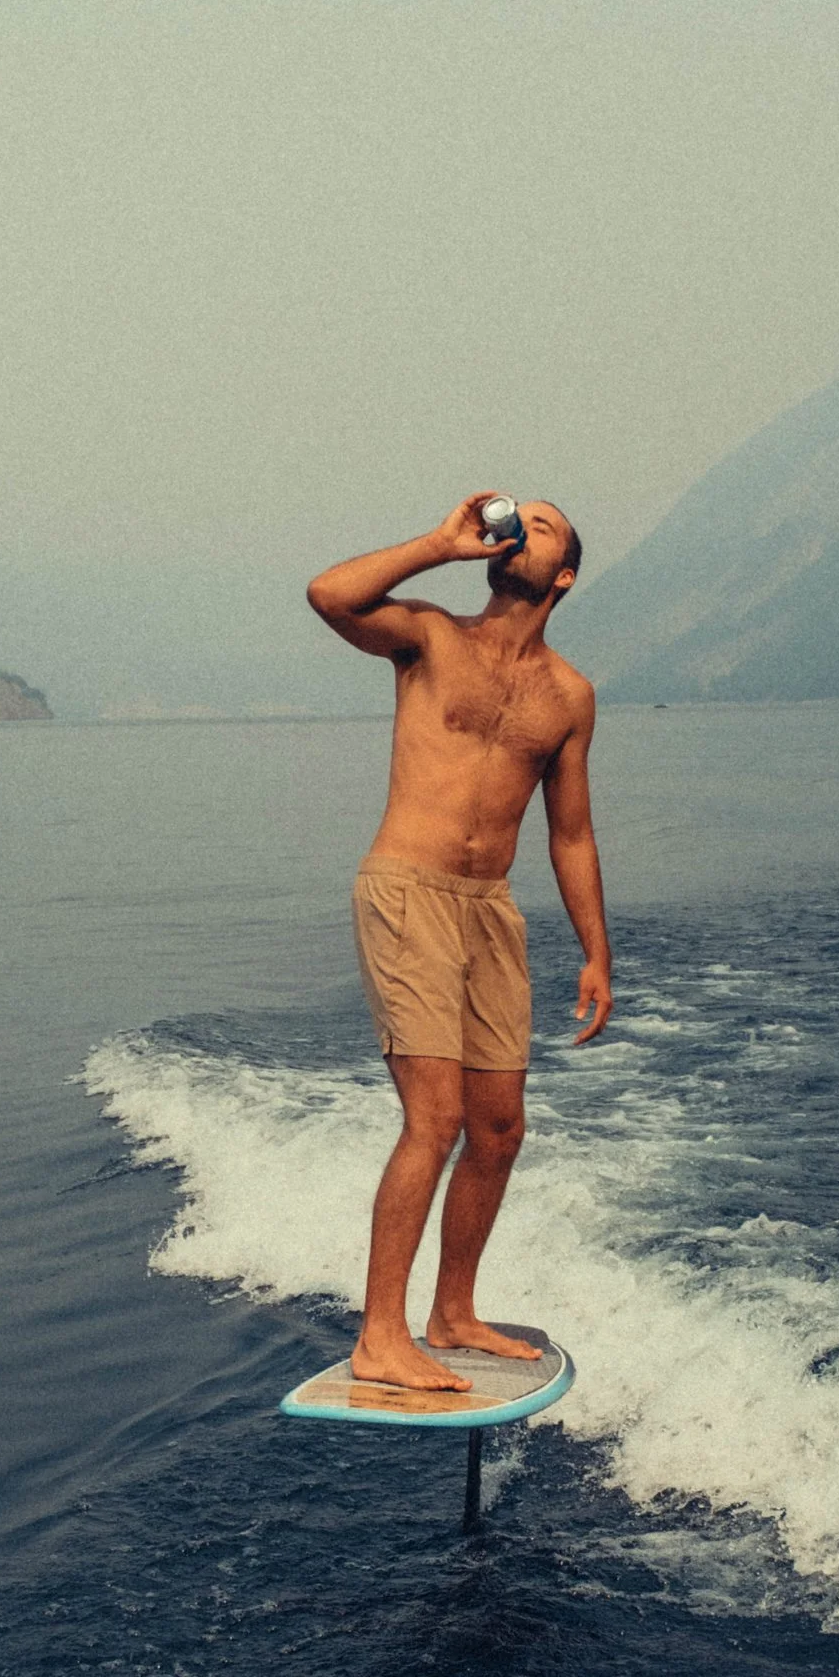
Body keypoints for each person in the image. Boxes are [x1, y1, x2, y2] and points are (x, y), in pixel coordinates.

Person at [306, 492, 612, 1392]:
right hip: (408, 891)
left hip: (491, 911)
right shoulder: (433, 638)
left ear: (563, 575)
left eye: (545, 524)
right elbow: (330, 595)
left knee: (501, 1129)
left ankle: (452, 1310)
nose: (522, 527)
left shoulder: (569, 696)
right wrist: (440, 545)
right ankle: (379, 1336)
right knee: (433, 1120)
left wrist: (597, 953)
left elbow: (571, 835)